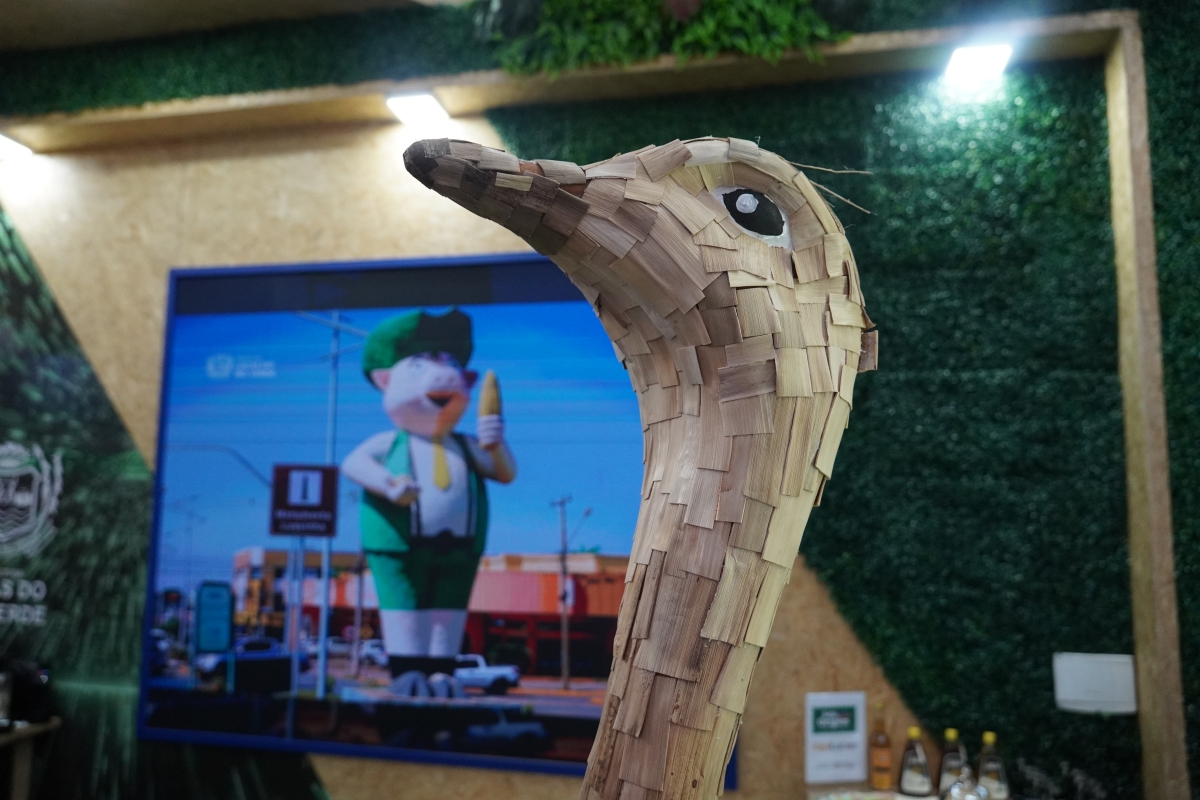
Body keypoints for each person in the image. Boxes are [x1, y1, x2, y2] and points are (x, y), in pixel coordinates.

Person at [341, 308, 515, 676]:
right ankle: (407, 671)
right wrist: (390, 485)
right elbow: (354, 464)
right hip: (398, 546)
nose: (443, 374)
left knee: (449, 609)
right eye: (420, 365)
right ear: (385, 380)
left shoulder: (467, 445)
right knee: (403, 604)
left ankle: (440, 671)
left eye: (450, 364)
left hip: (460, 548)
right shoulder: (389, 443)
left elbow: (504, 473)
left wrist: (496, 444)